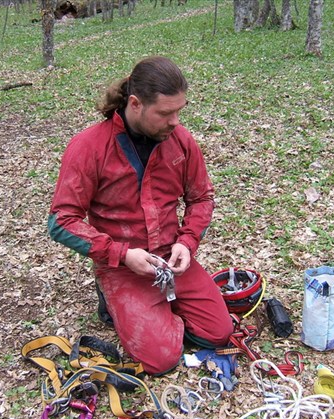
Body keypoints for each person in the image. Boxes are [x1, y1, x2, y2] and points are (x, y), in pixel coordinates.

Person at [48, 56, 233, 375]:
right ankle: (118, 302)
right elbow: (61, 221)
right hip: (123, 266)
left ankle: (160, 310)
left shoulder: (181, 140)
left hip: (171, 258)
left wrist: (187, 242)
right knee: (160, 360)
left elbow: (202, 197)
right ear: (135, 104)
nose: (175, 121)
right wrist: (120, 254)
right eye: (165, 113)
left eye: (179, 110)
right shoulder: (89, 147)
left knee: (219, 333)